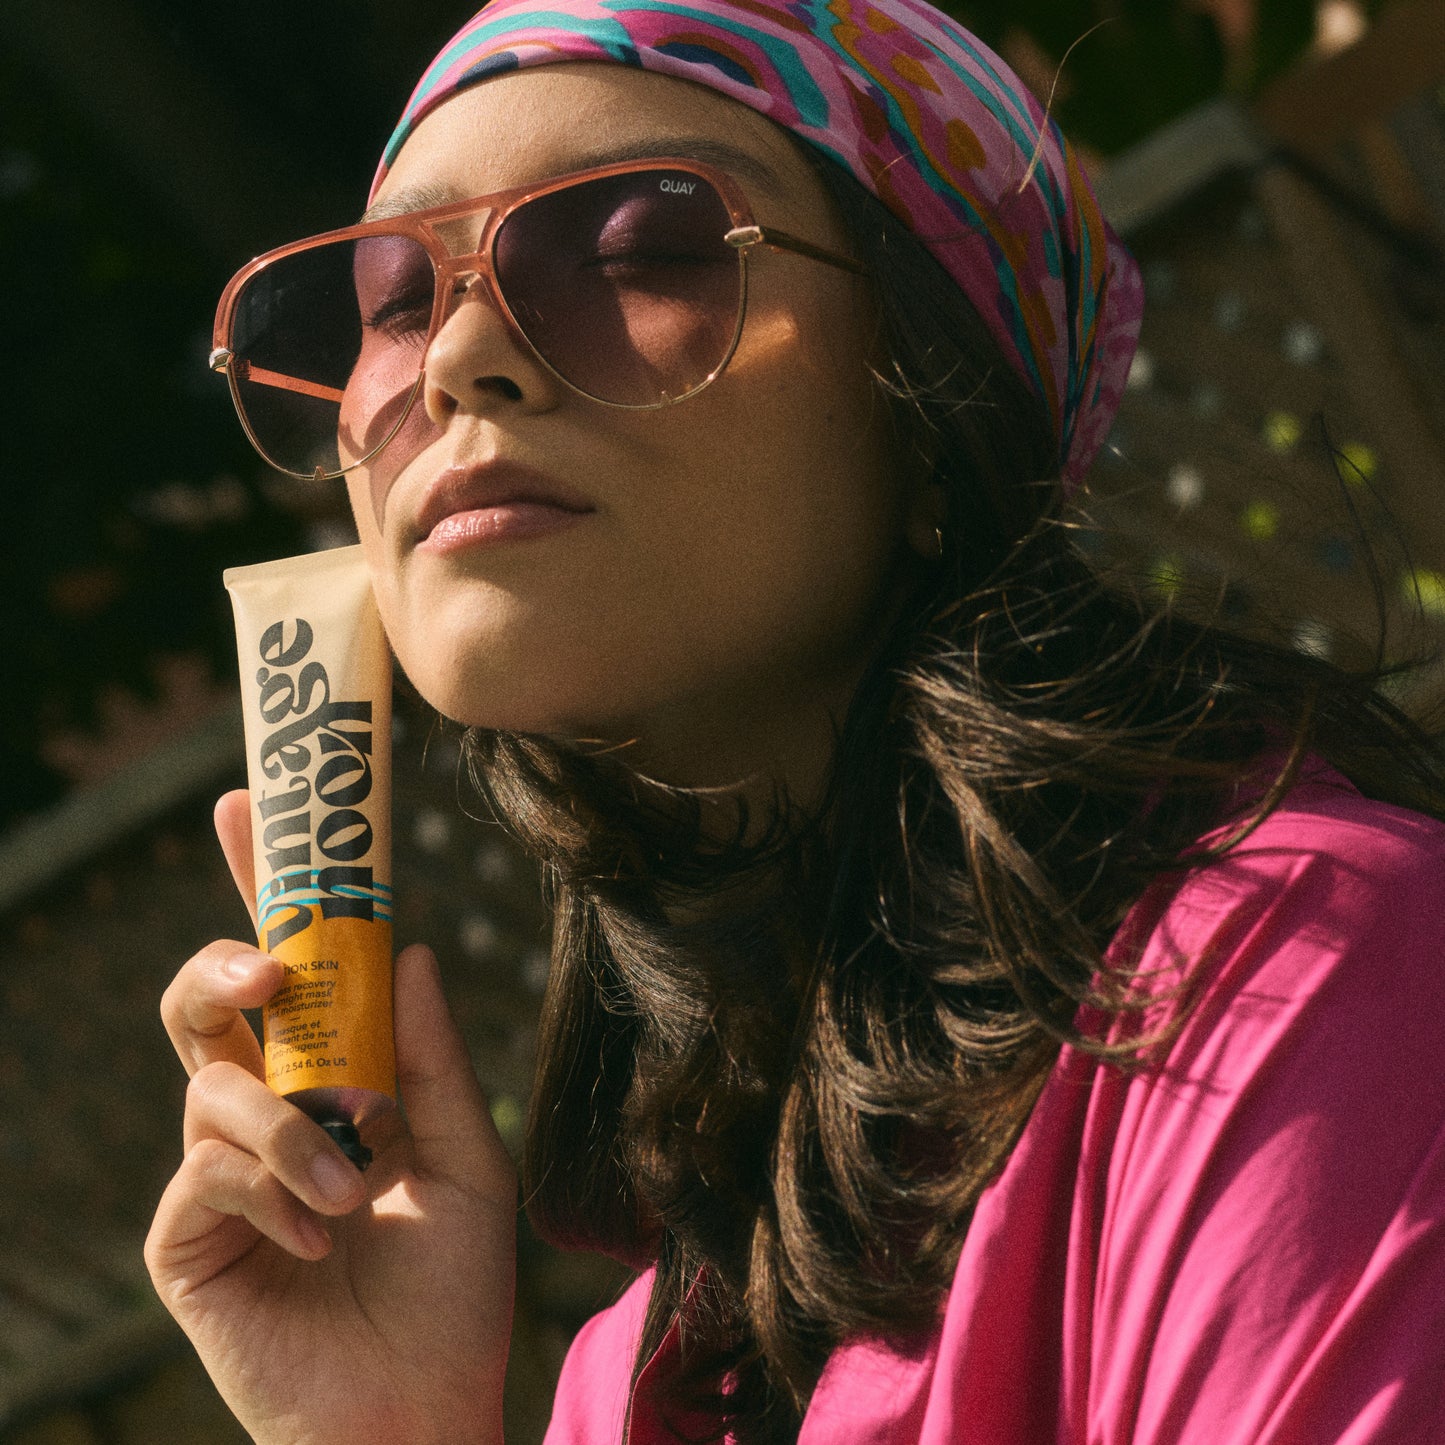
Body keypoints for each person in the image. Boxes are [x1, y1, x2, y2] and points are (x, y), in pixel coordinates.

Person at [145, 0, 1445, 1440]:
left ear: (931, 400)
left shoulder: (1294, 969)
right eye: (388, 302)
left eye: (638, 247)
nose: (456, 359)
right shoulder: (630, 1364)